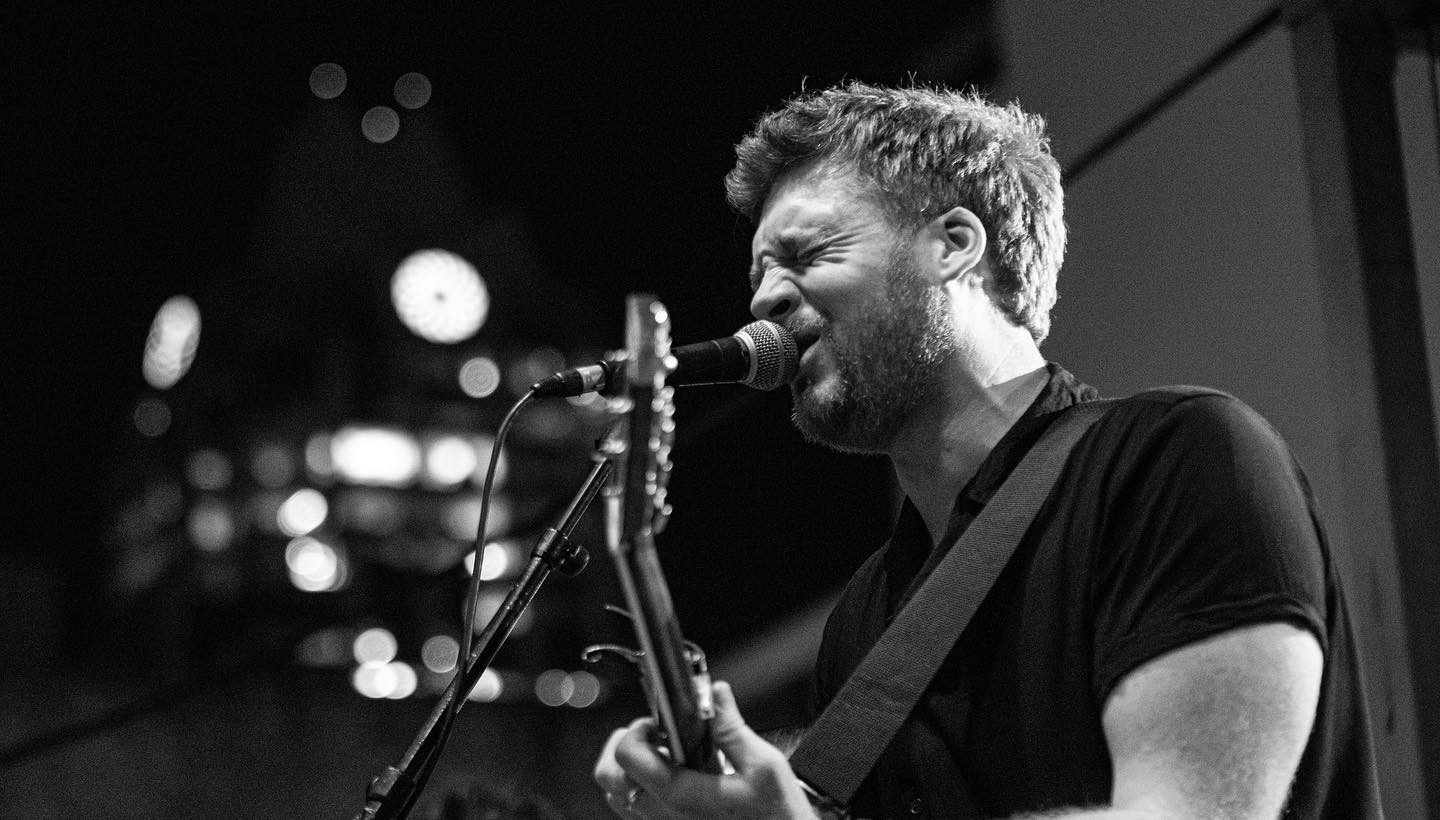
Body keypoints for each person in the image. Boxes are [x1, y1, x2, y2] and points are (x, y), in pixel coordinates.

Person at [593, 82, 1380, 818]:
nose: (764, 297)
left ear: (955, 244)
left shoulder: (1182, 460)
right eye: (761, 272)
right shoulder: (865, 619)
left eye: (806, 255)